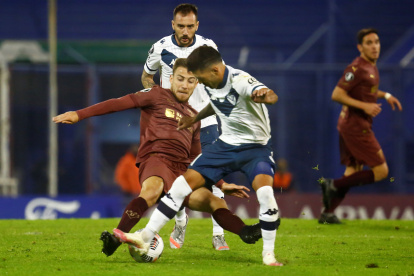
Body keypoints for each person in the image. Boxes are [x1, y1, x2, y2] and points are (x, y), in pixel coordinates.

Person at [53, 58, 262, 257]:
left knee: (213, 200)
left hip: (180, 171)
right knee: (152, 190)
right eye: (180, 78)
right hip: (156, 159)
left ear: (196, 84)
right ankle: (116, 238)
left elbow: (197, 158)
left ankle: (245, 232)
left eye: (190, 81)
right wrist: (79, 114)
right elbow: (119, 103)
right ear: (171, 78)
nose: (184, 85)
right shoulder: (155, 94)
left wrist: (222, 184)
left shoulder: (194, 118)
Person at [113, 46, 283, 266]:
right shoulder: (203, 87)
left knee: (263, 195)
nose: (197, 83)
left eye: (197, 79)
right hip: (220, 147)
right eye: (189, 79)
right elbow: (216, 104)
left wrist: (265, 96)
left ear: (213, 70)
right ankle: (146, 235)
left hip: (255, 148)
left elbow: (267, 93)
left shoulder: (240, 80)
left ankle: (265, 251)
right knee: (178, 186)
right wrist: (193, 120)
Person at [141, 3, 230, 251]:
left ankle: (218, 232)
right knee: (176, 178)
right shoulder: (160, 48)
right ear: (173, 25)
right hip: (174, 122)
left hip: (206, 120)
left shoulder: (208, 47)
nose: (185, 31)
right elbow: (146, 75)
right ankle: (180, 221)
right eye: (181, 26)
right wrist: (154, 92)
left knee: (214, 174)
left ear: (197, 26)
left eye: (190, 26)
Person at [318, 28, 403, 224]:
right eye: (369, 43)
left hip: (353, 124)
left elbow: (367, 90)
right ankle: (333, 184)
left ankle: (327, 213)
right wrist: (365, 106)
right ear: (360, 47)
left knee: (353, 171)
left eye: (377, 42)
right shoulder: (356, 68)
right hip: (355, 126)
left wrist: (386, 95)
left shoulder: (370, 66)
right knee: (382, 171)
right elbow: (336, 95)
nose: (374, 46)